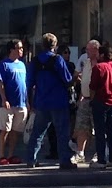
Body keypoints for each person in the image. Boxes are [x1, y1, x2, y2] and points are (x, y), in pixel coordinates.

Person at [27, 33, 77, 169]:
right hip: (58, 101)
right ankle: (64, 160)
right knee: (62, 133)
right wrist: (75, 77)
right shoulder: (58, 60)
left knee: (38, 132)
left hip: (42, 101)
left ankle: (31, 159)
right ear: (55, 45)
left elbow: (29, 83)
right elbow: (67, 80)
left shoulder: (36, 61)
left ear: (42, 45)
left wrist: (30, 101)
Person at [90, 44, 112, 170]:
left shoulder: (98, 68)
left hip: (100, 101)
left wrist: (92, 100)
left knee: (100, 131)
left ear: (102, 55)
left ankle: (102, 159)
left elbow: (93, 86)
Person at [0, 38, 28, 165]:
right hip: (8, 103)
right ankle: (1, 155)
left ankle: (11, 154)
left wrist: (28, 101)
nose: (21, 50)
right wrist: (4, 99)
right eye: (19, 48)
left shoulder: (22, 64)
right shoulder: (4, 64)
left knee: (16, 130)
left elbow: (24, 84)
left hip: (21, 103)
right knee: (5, 129)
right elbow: (0, 82)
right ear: (11, 49)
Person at [71, 39, 100, 165]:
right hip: (85, 99)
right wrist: (81, 96)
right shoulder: (86, 61)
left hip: (97, 100)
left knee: (98, 128)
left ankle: (99, 153)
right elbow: (84, 80)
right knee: (82, 127)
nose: (87, 51)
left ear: (96, 50)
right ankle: (80, 153)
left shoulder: (100, 63)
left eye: (89, 49)